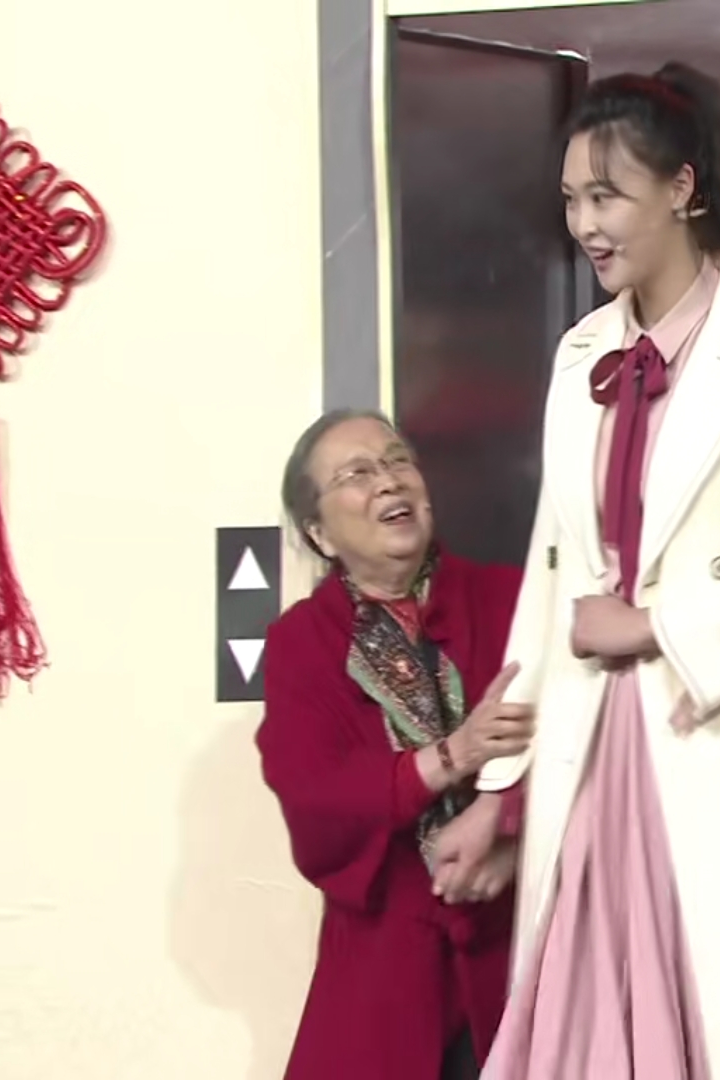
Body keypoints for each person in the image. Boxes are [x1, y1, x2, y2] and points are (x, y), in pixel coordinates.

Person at [468, 63, 720, 1080]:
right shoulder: (579, 354)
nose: (584, 224)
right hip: (595, 737)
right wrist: (499, 786)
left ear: (683, 189)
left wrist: (658, 626)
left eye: (606, 196)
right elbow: (552, 577)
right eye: (571, 199)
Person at [255, 409, 538, 1080]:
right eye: (357, 473)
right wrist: (452, 756)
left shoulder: (512, 599)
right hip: (388, 970)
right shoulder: (302, 644)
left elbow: (593, 742)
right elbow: (315, 799)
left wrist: (509, 824)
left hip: (524, 944)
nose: (388, 481)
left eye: (397, 461)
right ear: (319, 533)